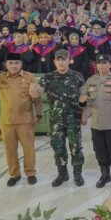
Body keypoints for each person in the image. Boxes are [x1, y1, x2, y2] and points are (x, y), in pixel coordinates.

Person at [0, 54, 41, 187]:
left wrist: (38, 115)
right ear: (6, 65)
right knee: (10, 149)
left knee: (29, 148)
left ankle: (30, 173)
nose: (14, 66)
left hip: (25, 120)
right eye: (11, 63)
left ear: (21, 64)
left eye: (17, 63)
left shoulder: (29, 77)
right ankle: (14, 174)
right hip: (7, 121)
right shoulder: (0, 78)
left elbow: (37, 98)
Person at [30, 49, 86, 187]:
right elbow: (36, 95)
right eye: (58, 60)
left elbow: (84, 97)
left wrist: (84, 113)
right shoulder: (47, 77)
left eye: (64, 59)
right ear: (55, 61)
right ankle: (63, 174)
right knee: (58, 147)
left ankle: (78, 174)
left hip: (74, 118)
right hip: (56, 120)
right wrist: (32, 89)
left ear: (69, 60)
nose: (61, 62)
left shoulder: (77, 76)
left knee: (76, 147)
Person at [80, 54, 111, 189]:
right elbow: (86, 101)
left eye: (104, 62)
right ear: (96, 65)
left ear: (110, 65)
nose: (101, 65)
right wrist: (84, 114)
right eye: (99, 63)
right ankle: (105, 175)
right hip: (96, 124)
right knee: (100, 151)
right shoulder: (90, 81)